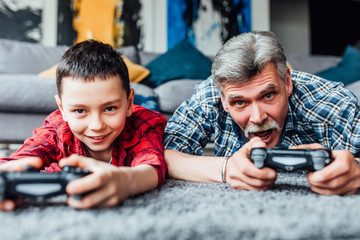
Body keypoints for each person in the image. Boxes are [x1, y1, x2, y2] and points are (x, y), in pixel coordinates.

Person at [164, 31, 360, 195]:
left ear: (287, 83)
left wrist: (356, 168)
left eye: (268, 95)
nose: (258, 118)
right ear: (223, 100)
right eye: (239, 102)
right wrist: (226, 168)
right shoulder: (210, 96)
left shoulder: (335, 103)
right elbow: (163, 154)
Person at [0, 40, 167, 210]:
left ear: (129, 103)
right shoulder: (57, 127)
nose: (96, 125)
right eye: (80, 111)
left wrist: (128, 181)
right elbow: (18, 160)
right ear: (62, 109)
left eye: (109, 108)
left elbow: (153, 168)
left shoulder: (145, 123)